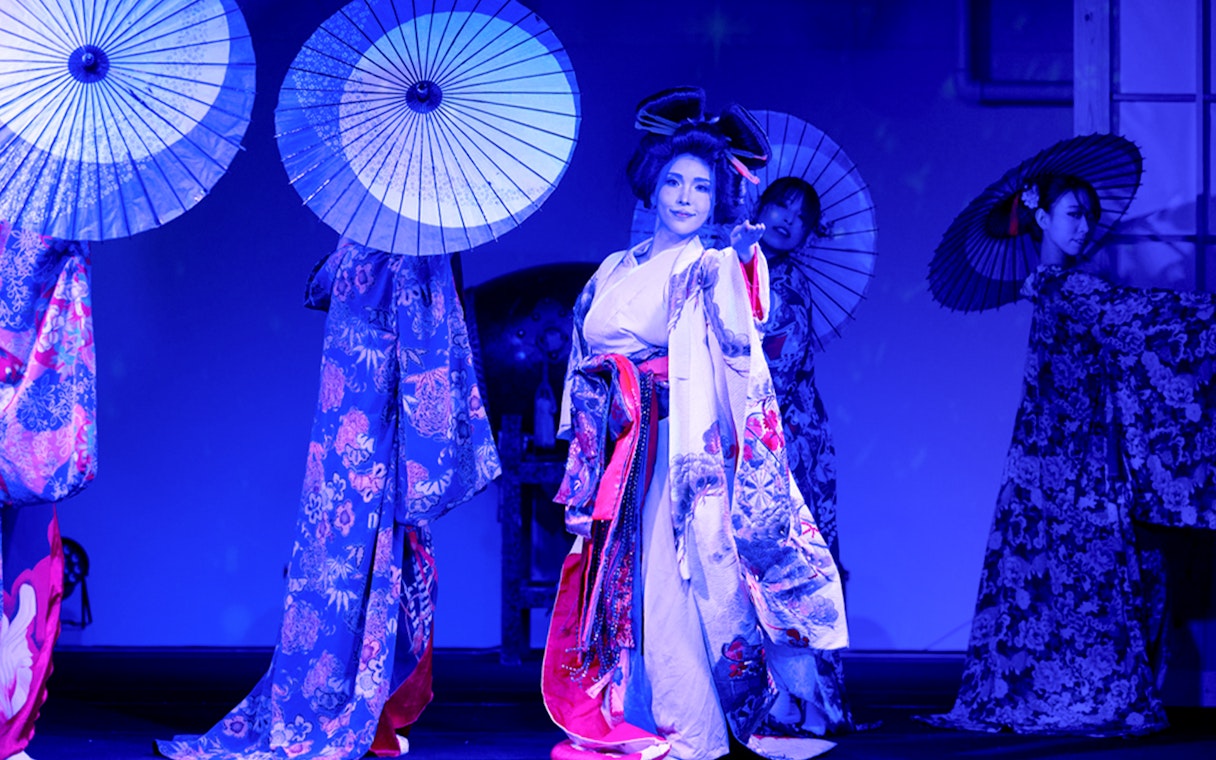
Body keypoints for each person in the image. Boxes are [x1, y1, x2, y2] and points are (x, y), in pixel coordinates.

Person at [541, 87, 847, 760]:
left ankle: (692, 728)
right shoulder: (615, 268)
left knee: (674, 582)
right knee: (616, 579)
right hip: (619, 442)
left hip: (674, 440)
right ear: (651, 185)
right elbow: (583, 351)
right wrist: (587, 424)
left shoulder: (705, 264)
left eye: (701, 188)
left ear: (718, 201)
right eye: (675, 181)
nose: (684, 197)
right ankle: (629, 709)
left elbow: (748, 329)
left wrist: (740, 261)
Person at [157, 242, 500, 759]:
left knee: (339, 574)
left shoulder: (360, 246)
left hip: (342, 433)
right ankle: (350, 713)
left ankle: (349, 710)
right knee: (370, 573)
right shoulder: (411, 252)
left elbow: (321, 289)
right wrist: (430, 463)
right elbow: (430, 358)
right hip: (380, 433)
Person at [922, 136, 1216, 737]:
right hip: (1068, 457)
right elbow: (1153, 321)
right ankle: (1081, 691)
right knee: (1088, 575)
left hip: (1054, 453)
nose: (1084, 227)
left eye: (1089, 217)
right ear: (1042, 217)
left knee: (1068, 576)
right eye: (1073, 215)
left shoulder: (1057, 287)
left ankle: (1061, 688)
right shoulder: (1065, 287)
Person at [753, 177, 855, 731]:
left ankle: (815, 696)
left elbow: (780, 365)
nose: (789, 219)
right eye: (781, 205)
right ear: (759, 206)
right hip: (748, 430)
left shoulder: (789, 285)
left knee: (801, 562)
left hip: (790, 436)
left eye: (802, 216)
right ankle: (770, 695)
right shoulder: (730, 268)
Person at [0, 223, 97, 760]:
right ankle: (8, 740)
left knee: (26, 572)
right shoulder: (52, 193)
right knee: (26, 570)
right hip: (23, 392)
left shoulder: (49, 198)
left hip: (22, 397)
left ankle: (8, 737)